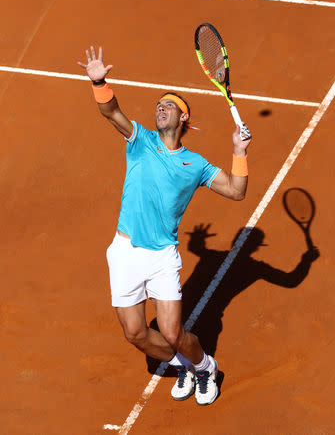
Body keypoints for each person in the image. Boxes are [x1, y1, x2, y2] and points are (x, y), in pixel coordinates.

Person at [78, 46, 252, 405]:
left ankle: (204, 366)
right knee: (136, 333)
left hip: (162, 258)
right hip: (125, 252)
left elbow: (236, 191)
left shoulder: (196, 164)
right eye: (158, 105)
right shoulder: (140, 141)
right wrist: (99, 81)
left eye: (169, 105)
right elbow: (111, 111)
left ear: (184, 119)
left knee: (173, 332)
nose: (160, 108)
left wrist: (239, 151)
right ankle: (183, 365)